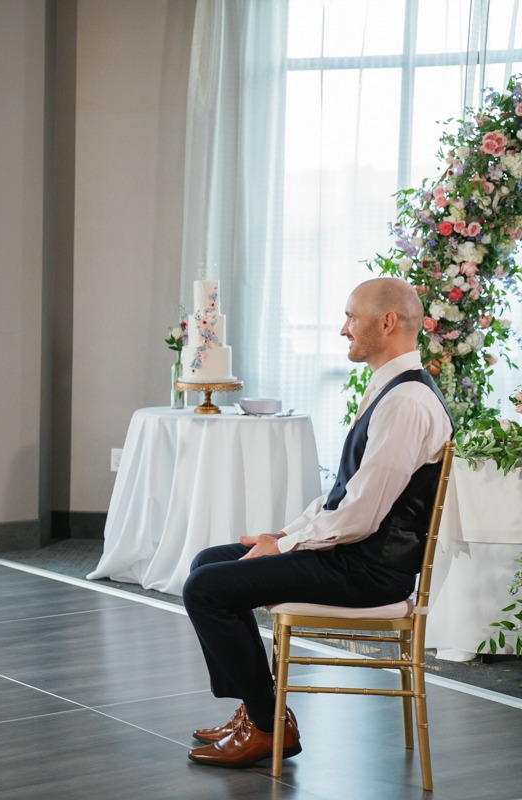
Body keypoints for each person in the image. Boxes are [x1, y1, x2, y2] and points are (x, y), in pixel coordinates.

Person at [182, 276, 453, 768]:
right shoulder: (391, 389)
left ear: (387, 322)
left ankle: (268, 727)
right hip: (350, 554)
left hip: (367, 570)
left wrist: (286, 548)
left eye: (351, 316)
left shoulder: (406, 403)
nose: (342, 329)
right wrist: (284, 536)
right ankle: (258, 710)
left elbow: (360, 514)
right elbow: (342, 496)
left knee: (207, 589)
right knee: (207, 563)